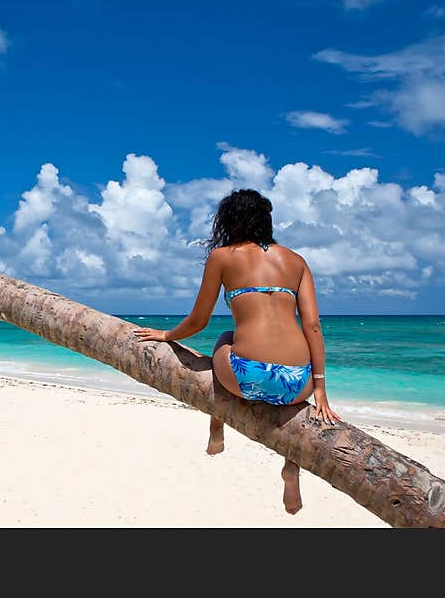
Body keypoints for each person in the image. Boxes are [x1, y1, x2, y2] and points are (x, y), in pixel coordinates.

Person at [133, 188, 341, 514]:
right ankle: (291, 469)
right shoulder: (297, 261)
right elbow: (312, 327)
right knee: (291, 394)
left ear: (229, 220)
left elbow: (199, 320)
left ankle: (217, 425)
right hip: (297, 384)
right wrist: (320, 392)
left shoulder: (223, 257)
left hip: (246, 378)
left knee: (227, 335)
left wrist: (166, 334)